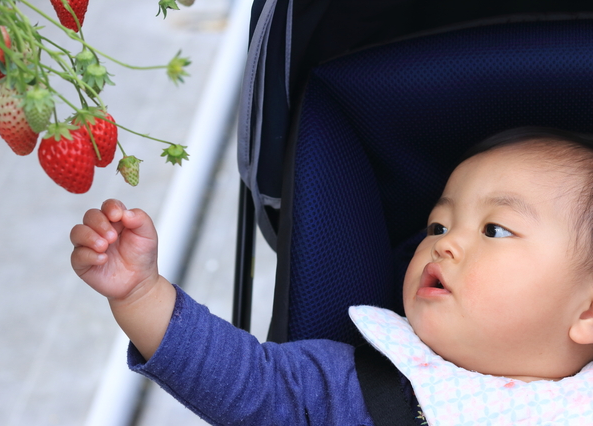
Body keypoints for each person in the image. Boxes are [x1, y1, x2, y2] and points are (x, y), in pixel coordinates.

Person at [70, 127, 593, 425]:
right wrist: (141, 294)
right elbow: (244, 381)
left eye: (496, 230)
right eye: (437, 223)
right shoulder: (354, 386)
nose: (444, 242)